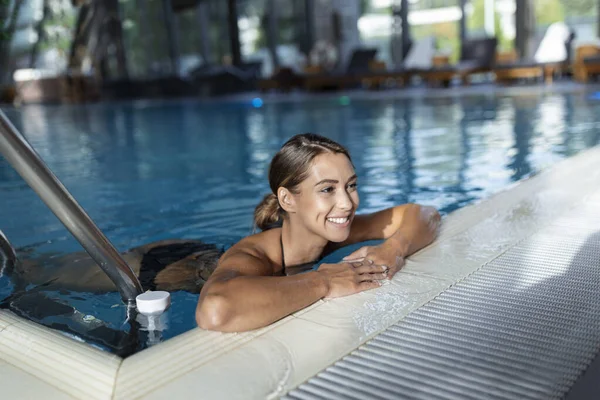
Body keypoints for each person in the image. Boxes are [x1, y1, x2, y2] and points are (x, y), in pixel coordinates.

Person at [196, 133, 440, 332]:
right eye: (327, 189)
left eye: (351, 185)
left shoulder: (336, 230)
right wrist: (323, 281)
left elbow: (425, 214)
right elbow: (215, 309)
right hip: (182, 267)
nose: (347, 203)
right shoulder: (254, 255)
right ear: (287, 200)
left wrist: (394, 248)